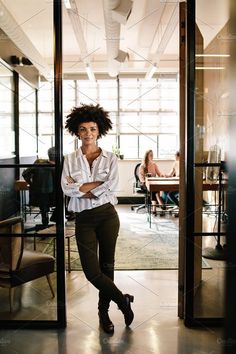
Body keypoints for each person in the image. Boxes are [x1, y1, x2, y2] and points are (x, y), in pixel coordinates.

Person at [61, 104, 134, 334]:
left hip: (107, 217)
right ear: (77, 132)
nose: (88, 134)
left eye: (92, 129)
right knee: (92, 271)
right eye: (83, 129)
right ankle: (123, 301)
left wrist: (81, 187)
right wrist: (94, 187)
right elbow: (66, 188)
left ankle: (104, 313)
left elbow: (112, 186)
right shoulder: (70, 159)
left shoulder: (110, 158)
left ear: (99, 130)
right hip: (84, 218)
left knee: (107, 266)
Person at [22, 147, 56, 228]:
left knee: (43, 209)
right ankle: (51, 222)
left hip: (39, 193)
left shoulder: (39, 163)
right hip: (53, 195)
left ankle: (45, 223)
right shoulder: (59, 166)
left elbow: (25, 174)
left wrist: (31, 184)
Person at [139, 149, 165, 215]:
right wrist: (145, 181)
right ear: (147, 156)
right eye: (150, 155)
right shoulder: (142, 166)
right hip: (144, 184)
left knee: (154, 188)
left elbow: (159, 174)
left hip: (153, 184)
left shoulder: (154, 164)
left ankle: (154, 209)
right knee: (154, 188)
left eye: (152, 155)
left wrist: (163, 175)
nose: (152, 156)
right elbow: (141, 178)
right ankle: (159, 203)